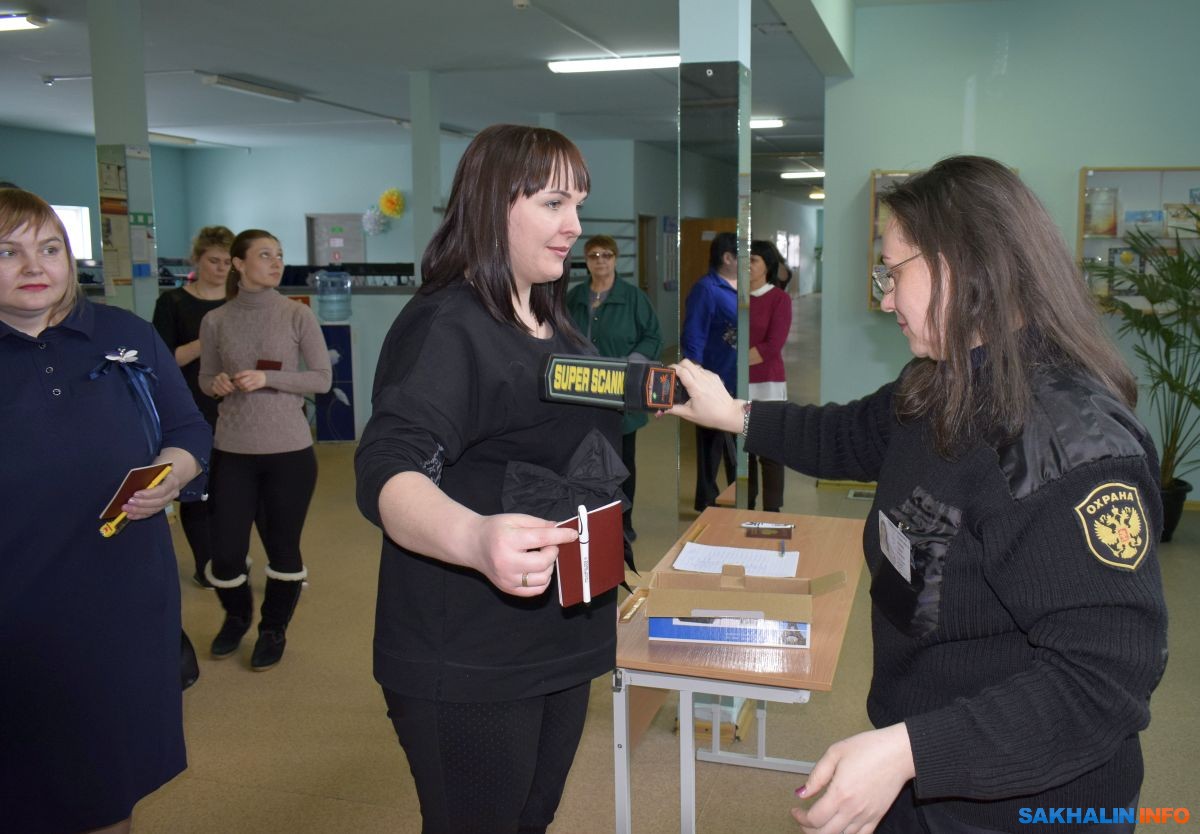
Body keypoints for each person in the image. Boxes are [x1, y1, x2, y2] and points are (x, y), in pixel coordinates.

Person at [666, 156, 1168, 834]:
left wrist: (913, 752)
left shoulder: (1070, 449)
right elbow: (849, 434)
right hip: (928, 757)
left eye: (893, 273)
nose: (883, 298)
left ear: (963, 267)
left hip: (1028, 797)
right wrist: (734, 416)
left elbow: (1101, 683)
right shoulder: (941, 379)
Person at [355, 124, 626, 834]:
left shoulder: (559, 327)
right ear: (490, 205)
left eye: (580, 205)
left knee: (530, 820)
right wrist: (474, 537)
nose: (574, 226)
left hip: (563, 633)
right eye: (553, 203)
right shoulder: (448, 325)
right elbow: (389, 467)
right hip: (472, 648)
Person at [0, 188, 210, 834]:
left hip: (121, 605)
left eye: (50, 248)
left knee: (104, 785)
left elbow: (189, 432)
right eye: (7, 252)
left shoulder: (124, 334)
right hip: (16, 603)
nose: (35, 266)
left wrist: (168, 477)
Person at [198, 229, 331, 671]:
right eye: (264, 255)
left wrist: (269, 378)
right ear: (239, 264)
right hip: (233, 450)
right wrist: (214, 384)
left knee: (283, 549)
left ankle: (273, 629)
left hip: (289, 453)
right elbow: (206, 377)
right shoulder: (216, 320)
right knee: (227, 553)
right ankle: (237, 616)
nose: (276, 263)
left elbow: (321, 379)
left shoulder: (296, 315)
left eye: (279, 255)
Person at [566, 233, 662, 541]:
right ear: (587, 261)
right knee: (585, 457)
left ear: (615, 259)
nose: (600, 262)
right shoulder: (575, 297)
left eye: (606, 255)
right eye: (594, 256)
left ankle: (623, 523)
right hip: (584, 392)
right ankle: (591, 518)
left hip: (621, 393)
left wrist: (630, 364)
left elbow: (653, 337)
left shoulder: (633, 297)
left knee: (623, 461)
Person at [153, 224, 234, 587]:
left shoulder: (238, 303)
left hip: (234, 406)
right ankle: (205, 562)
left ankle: (229, 556)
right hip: (189, 404)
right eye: (213, 261)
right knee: (197, 486)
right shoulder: (172, 303)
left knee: (230, 488)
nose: (221, 269)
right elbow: (165, 359)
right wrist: (207, 337)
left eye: (227, 262)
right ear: (197, 260)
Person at [681, 230, 738, 511]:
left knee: (737, 445)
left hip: (739, 376)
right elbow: (693, 336)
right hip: (716, 377)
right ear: (728, 258)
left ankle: (736, 497)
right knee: (711, 445)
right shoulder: (707, 289)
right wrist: (694, 378)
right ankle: (706, 502)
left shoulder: (742, 286)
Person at [747, 239, 792, 512]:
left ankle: (772, 511)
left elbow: (772, 346)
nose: (747, 265)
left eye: (753, 260)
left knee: (770, 451)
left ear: (767, 266)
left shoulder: (779, 298)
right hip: (738, 382)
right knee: (745, 451)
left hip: (768, 384)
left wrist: (737, 359)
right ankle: (746, 505)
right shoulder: (734, 295)